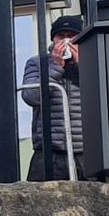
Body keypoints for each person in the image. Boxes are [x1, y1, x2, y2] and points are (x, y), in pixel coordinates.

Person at [20, 14, 85, 182]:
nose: (66, 41)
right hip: (48, 151)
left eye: (72, 36)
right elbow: (30, 96)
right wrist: (55, 67)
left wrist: (81, 65)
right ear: (53, 39)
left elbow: (101, 93)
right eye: (61, 36)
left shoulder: (93, 60)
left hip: (85, 151)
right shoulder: (37, 63)